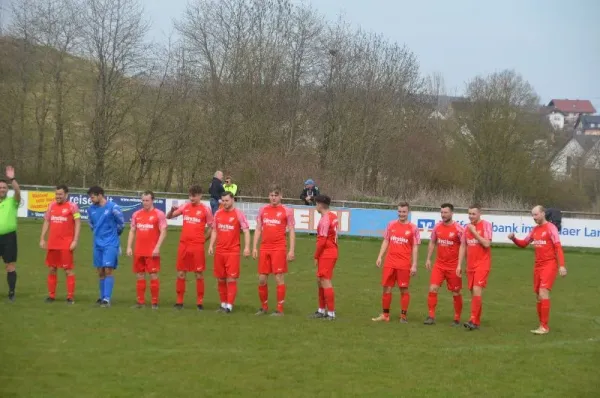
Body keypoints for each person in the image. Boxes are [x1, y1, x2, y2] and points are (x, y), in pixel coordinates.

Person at [508, 205, 567, 335]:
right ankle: (542, 324)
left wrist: (561, 265)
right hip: (537, 266)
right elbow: (524, 244)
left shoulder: (551, 228)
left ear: (543, 213)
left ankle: (544, 327)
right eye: (532, 215)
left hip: (549, 264)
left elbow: (558, 247)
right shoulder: (534, 230)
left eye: (536, 214)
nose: (534, 217)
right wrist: (513, 239)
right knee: (538, 296)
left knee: (543, 292)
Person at [372, 202, 420, 323]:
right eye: (399, 211)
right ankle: (385, 315)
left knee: (403, 289)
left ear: (408, 212)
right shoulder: (391, 224)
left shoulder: (413, 228)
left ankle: (403, 316)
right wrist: (380, 257)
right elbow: (386, 241)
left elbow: (415, 247)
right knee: (386, 288)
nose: (401, 214)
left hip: (404, 264)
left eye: (404, 212)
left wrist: (414, 264)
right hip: (390, 262)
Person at [252, 185, 296, 316]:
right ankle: (264, 307)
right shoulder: (263, 210)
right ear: (268, 196)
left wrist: (291, 250)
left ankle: (280, 309)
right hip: (265, 248)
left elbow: (292, 231)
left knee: (278, 278)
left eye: (276, 195)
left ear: (281, 196)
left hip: (279, 248)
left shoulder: (287, 211)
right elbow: (259, 229)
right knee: (261, 279)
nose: (273, 198)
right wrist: (254, 247)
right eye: (271, 195)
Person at [167, 185, 212, 310]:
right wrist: (171, 210)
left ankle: (199, 302)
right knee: (181, 273)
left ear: (200, 196)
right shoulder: (185, 206)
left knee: (198, 273)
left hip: (197, 245)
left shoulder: (205, 209)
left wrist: (204, 239)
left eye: (194, 195)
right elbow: (169, 216)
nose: (192, 198)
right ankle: (179, 301)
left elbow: (211, 226)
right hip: (184, 245)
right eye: (190, 195)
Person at [208, 191, 251, 313]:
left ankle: (229, 306)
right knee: (220, 279)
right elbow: (215, 230)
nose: (225, 203)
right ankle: (223, 304)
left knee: (231, 279)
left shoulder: (238, 214)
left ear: (232, 200)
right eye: (223, 201)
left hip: (233, 251)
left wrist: (247, 247)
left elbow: (246, 230)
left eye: (227, 200)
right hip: (220, 251)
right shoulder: (218, 213)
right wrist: (211, 245)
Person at [39, 185, 81, 304]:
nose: (58, 196)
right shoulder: (51, 205)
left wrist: (75, 240)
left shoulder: (72, 207)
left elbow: (78, 223)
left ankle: (70, 297)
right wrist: (42, 238)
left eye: (60, 194)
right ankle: (51, 296)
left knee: (68, 270)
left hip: (66, 244)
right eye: (56, 194)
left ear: (66, 194)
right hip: (53, 243)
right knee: (52, 269)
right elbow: (47, 221)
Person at [423, 203, 464, 326]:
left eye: (445, 212)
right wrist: (428, 259)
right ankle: (431, 316)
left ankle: (456, 318)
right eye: (441, 212)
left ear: (452, 213)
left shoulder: (459, 229)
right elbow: (432, 242)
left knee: (456, 292)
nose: (443, 215)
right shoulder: (437, 227)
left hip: (453, 266)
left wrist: (460, 265)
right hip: (439, 265)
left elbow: (464, 246)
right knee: (433, 288)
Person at [127, 191, 168, 309]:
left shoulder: (159, 214)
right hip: (139, 250)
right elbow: (132, 230)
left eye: (147, 200)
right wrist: (129, 246)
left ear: (152, 200)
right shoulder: (136, 214)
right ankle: (140, 302)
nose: (145, 203)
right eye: (143, 200)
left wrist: (157, 247)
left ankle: (154, 302)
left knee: (153, 275)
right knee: (140, 275)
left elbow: (163, 231)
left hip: (152, 251)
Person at [457, 204, 492, 331]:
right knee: (473, 294)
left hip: (482, 264)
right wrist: (459, 264)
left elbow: (487, 244)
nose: (471, 216)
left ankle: (472, 319)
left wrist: (474, 232)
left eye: (473, 214)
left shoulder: (486, 225)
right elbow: (463, 246)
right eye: (469, 214)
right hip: (470, 265)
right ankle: (476, 322)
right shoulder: (467, 228)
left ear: (479, 213)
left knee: (477, 290)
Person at [87, 186, 125, 307]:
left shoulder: (113, 207)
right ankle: (102, 296)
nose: (91, 199)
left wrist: (114, 236)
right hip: (97, 244)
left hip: (111, 243)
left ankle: (107, 299)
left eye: (92, 197)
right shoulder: (90, 209)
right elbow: (91, 224)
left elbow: (121, 224)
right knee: (100, 271)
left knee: (108, 269)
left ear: (100, 195)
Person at [310, 195, 338, 320]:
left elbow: (322, 241)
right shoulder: (333, 216)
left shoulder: (325, 219)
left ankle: (331, 313)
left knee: (325, 280)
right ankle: (321, 310)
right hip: (330, 250)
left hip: (327, 252)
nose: (316, 206)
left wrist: (316, 256)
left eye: (316, 203)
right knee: (320, 280)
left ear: (321, 205)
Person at [0, 166, 21, 302]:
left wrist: (12, 179)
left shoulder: (12, 202)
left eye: (4, 188)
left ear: (7, 190)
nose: (2, 189)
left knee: (10, 265)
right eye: (0, 187)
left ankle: (11, 292)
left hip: (9, 238)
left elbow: (18, 192)